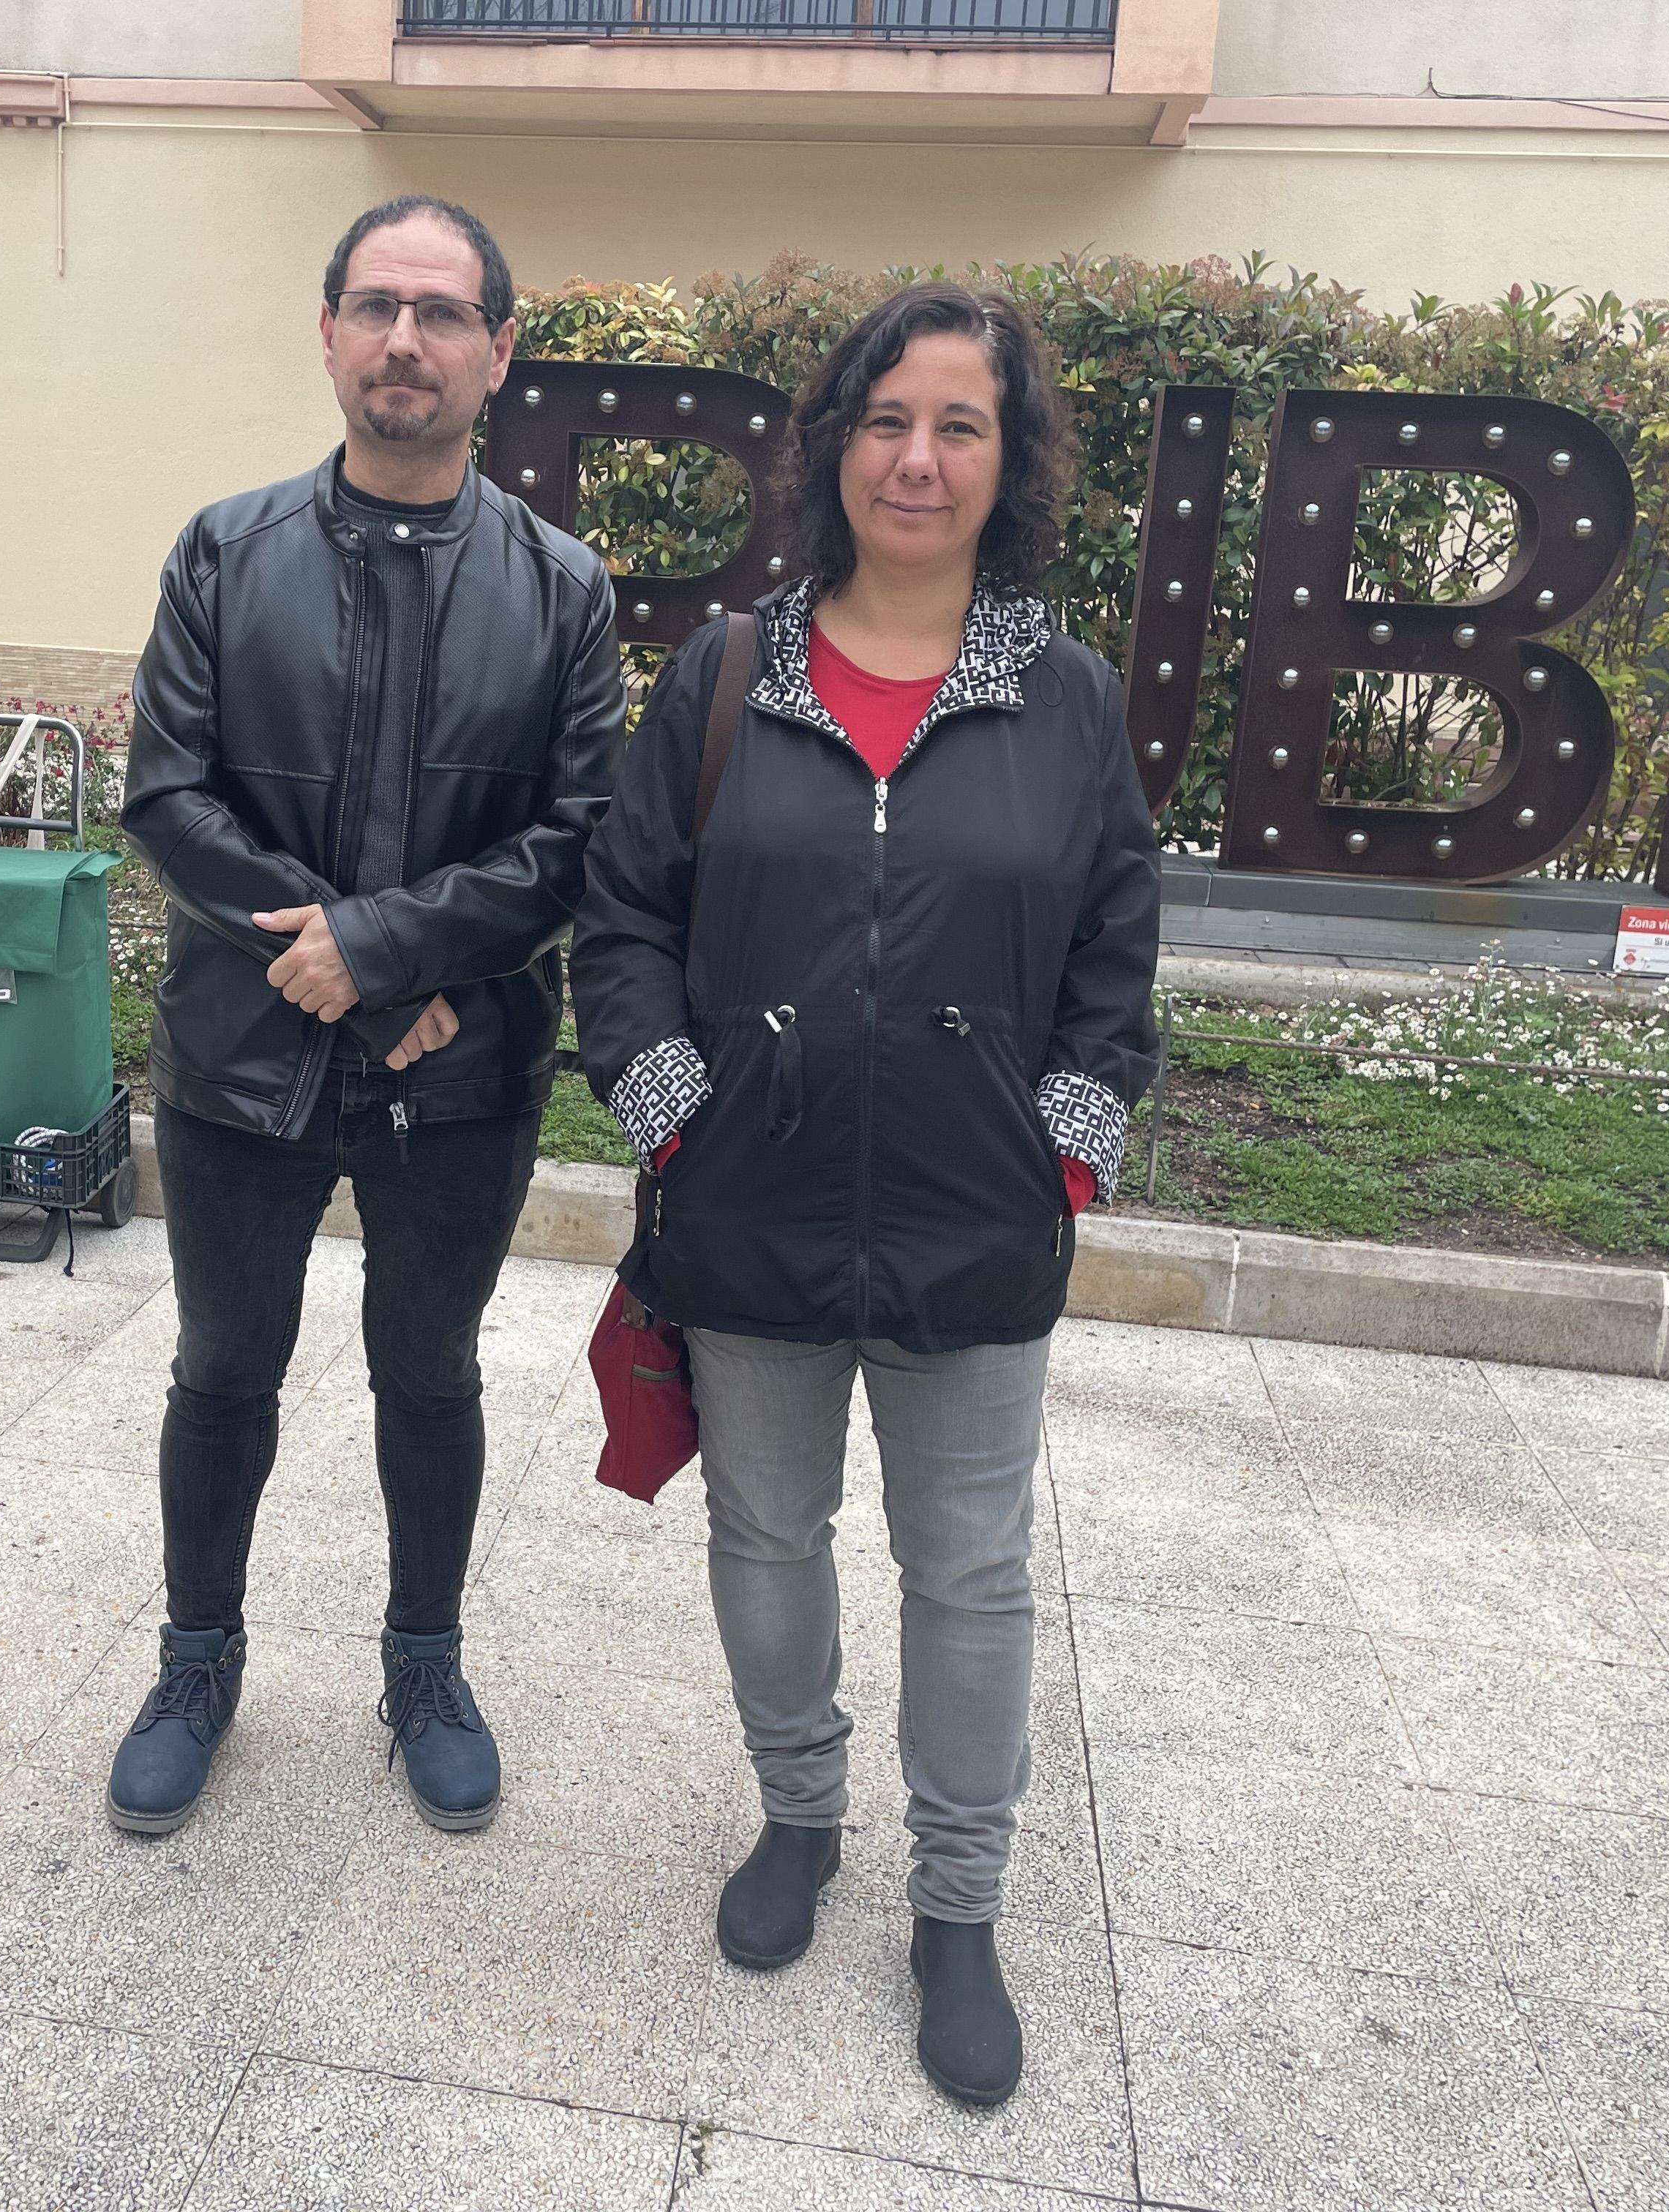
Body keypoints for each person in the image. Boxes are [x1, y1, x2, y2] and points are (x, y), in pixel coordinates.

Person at [570, 282, 1160, 2106]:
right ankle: (799, 1818)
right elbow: (626, 916)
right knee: (764, 1536)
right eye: (888, 419)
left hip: (978, 1228)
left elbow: (1118, 955)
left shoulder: (1066, 698)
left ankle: (961, 1909)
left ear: (1010, 460)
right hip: (745, 1211)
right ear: (835, 448)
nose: (919, 457)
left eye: (960, 424)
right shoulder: (729, 673)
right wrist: (674, 1110)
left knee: (970, 1574)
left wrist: (1062, 1146)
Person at [110, 197, 621, 1837]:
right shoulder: (222, 552)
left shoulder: (564, 590)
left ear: (499, 351)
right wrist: (342, 974)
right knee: (223, 1368)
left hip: (458, 1066)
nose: (408, 340)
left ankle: (425, 1664)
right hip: (241, 1062)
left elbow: (576, 838)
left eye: (443, 312)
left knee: (431, 1372)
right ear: (327, 329)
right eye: (377, 305)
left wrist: (391, 959)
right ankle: (197, 1662)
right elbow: (172, 798)